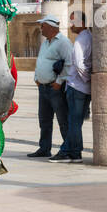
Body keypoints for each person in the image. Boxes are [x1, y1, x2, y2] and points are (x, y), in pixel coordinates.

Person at [27, 15, 73, 158]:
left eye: (43, 26)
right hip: (43, 88)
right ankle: (44, 148)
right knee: (44, 120)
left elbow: (69, 63)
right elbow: (41, 60)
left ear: (52, 27)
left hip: (55, 89)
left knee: (63, 120)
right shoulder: (46, 43)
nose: (41, 29)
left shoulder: (63, 42)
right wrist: (37, 78)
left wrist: (59, 82)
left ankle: (68, 149)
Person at [53, 11, 92, 162]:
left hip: (77, 86)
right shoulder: (89, 37)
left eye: (72, 22)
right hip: (83, 86)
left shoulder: (80, 41)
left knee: (74, 122)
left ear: (81, 23)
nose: (70, 26)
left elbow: (79, 63)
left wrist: (85, 79)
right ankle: (74, 153)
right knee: (76, 122)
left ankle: (68, 151)